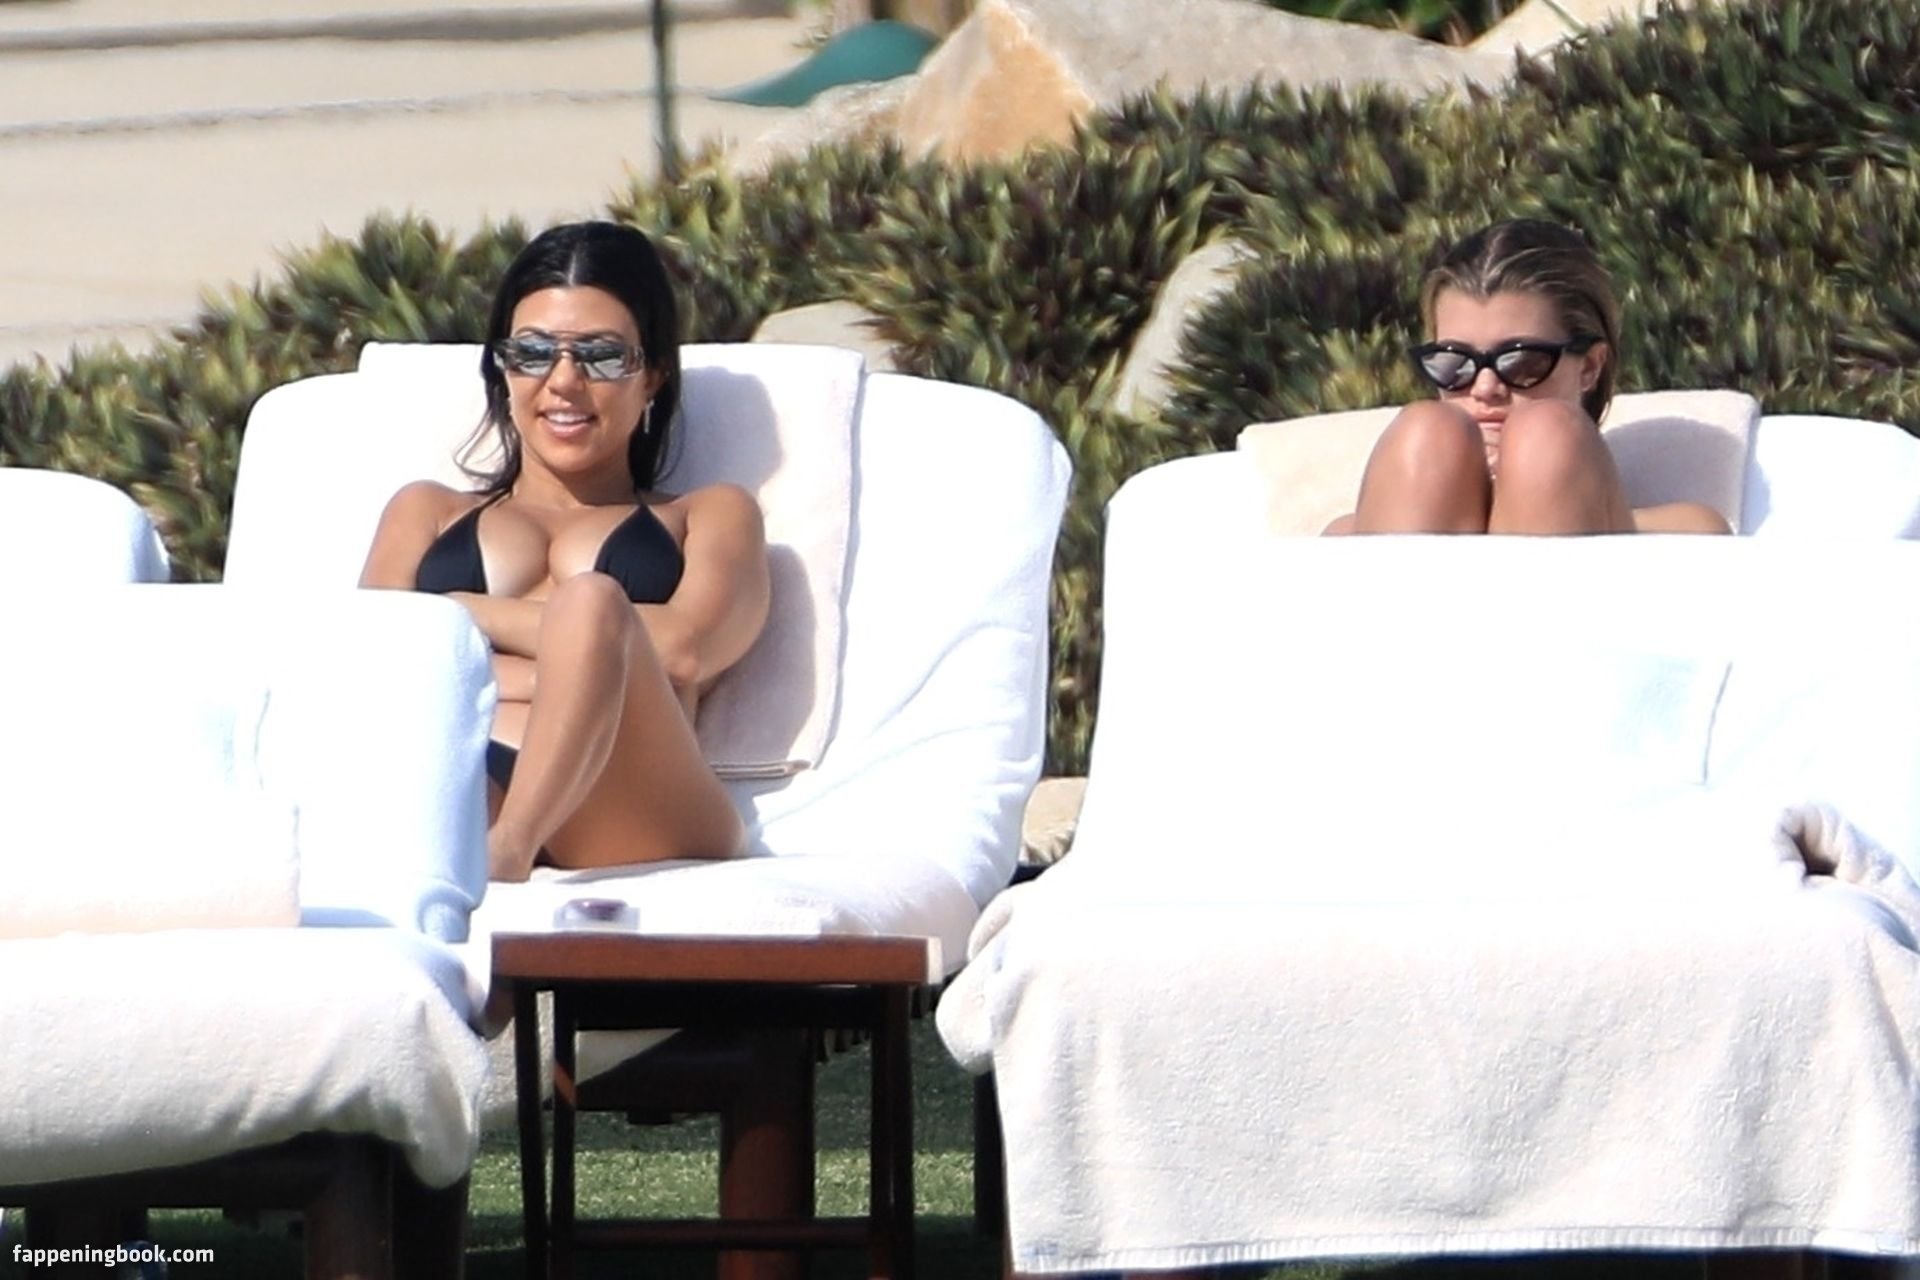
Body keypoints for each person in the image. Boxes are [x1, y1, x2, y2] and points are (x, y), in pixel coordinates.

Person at [360, 221, 769, 882]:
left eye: (601, 356)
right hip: (472, 772)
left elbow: (684, 649)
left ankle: (510, 849)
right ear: (502, 368)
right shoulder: (427, 511)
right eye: (532, 352)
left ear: (653, 376)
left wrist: (465, 613)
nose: (563, 381)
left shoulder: (707, 514)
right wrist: (569, 672)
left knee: (593, 602)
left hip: (638, 803)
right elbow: (374, 659)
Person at [1326, 218, 1731, 536]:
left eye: (1520, 362)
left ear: (1589, 367)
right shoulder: (1345, 533)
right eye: (1454, 363)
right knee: (1429, 429)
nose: (1485, 388)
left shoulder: (1683, 533)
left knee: (1545, 434)